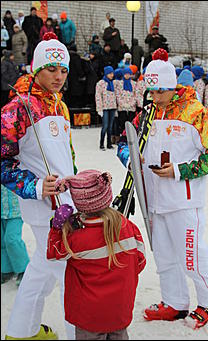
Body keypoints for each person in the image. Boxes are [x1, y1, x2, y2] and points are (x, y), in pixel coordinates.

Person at [117, 48, 208, 329]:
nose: (153, 98)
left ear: (172, 87)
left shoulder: (195, 112)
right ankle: (175, 302)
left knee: (192, 257)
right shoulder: (148, 113)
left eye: (158, 92)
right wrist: (132, 159)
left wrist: (180, 171)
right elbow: (124, 142)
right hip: (153, 200)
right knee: (164, 257)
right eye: (150, 92)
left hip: (183, 201)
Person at [1, 33, 76, 340]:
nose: (58, 77)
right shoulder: (18, 108)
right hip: (44, 207)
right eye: (51, 69)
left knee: (41, 271)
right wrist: (33, 186)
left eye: (63, 70)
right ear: (36, 68)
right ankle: (80, 334)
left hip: (67, 201)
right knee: (69, 274)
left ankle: (22, 331)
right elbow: (3, 161)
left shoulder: (60, 105)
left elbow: (66, 156)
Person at [47, 169, 146, 340]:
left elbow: (53, 252)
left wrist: (57, 228)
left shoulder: (76, 239)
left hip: (89, 317)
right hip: (119, 311)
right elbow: (140, 261)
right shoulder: (127, 227)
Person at [1, 185, 30, 287]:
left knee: (12, 239)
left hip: (15, 211)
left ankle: (23, 269)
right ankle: (7, 269)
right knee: (2, 242)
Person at [95, 66, 117, 150]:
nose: (112, 75)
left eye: (112, 73)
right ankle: (101, 143)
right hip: (104, 107)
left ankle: (109, 143)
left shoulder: (113, 83)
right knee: (105, 126)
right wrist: (99, 109)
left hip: (112, 107)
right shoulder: (101, 83)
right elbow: (98, 96)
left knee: (110, 127)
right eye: (110, 73)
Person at [115, 67, 137, 134]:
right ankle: (123, 138)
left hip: (131, 108)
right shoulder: (119, 84)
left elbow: (136, 95)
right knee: (122, 124)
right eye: (125, 74)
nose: (127, 75)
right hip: (122, 108)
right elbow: (118, 95)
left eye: (128, 74)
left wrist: (131, 104)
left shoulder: (134, 84)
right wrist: (123, 104)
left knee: (131, 124)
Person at [65, 42, 86, 110]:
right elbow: (78, 68)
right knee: (76, 93)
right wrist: (82, 75)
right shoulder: (76, 57)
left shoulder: (67, 57)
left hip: (68, 77)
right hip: (75, 78)